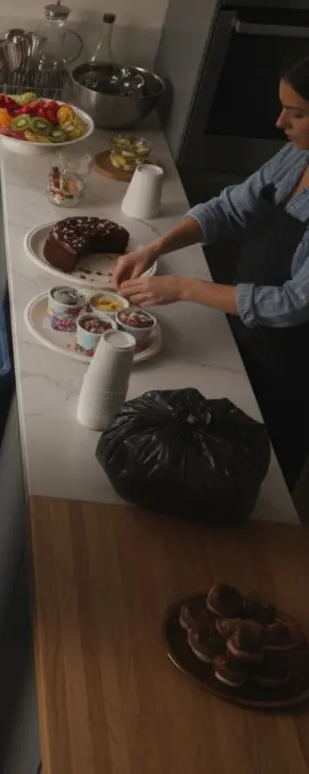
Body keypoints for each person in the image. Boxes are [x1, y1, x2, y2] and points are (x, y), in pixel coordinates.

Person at [113, 56, 309, 490]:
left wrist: (184, 287)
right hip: (242, 336)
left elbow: (294, 302)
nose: (280, 122)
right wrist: (155, 246)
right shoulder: (297, 158)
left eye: (297, 113)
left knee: (259, 478)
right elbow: (230, 208)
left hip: (293, 368)